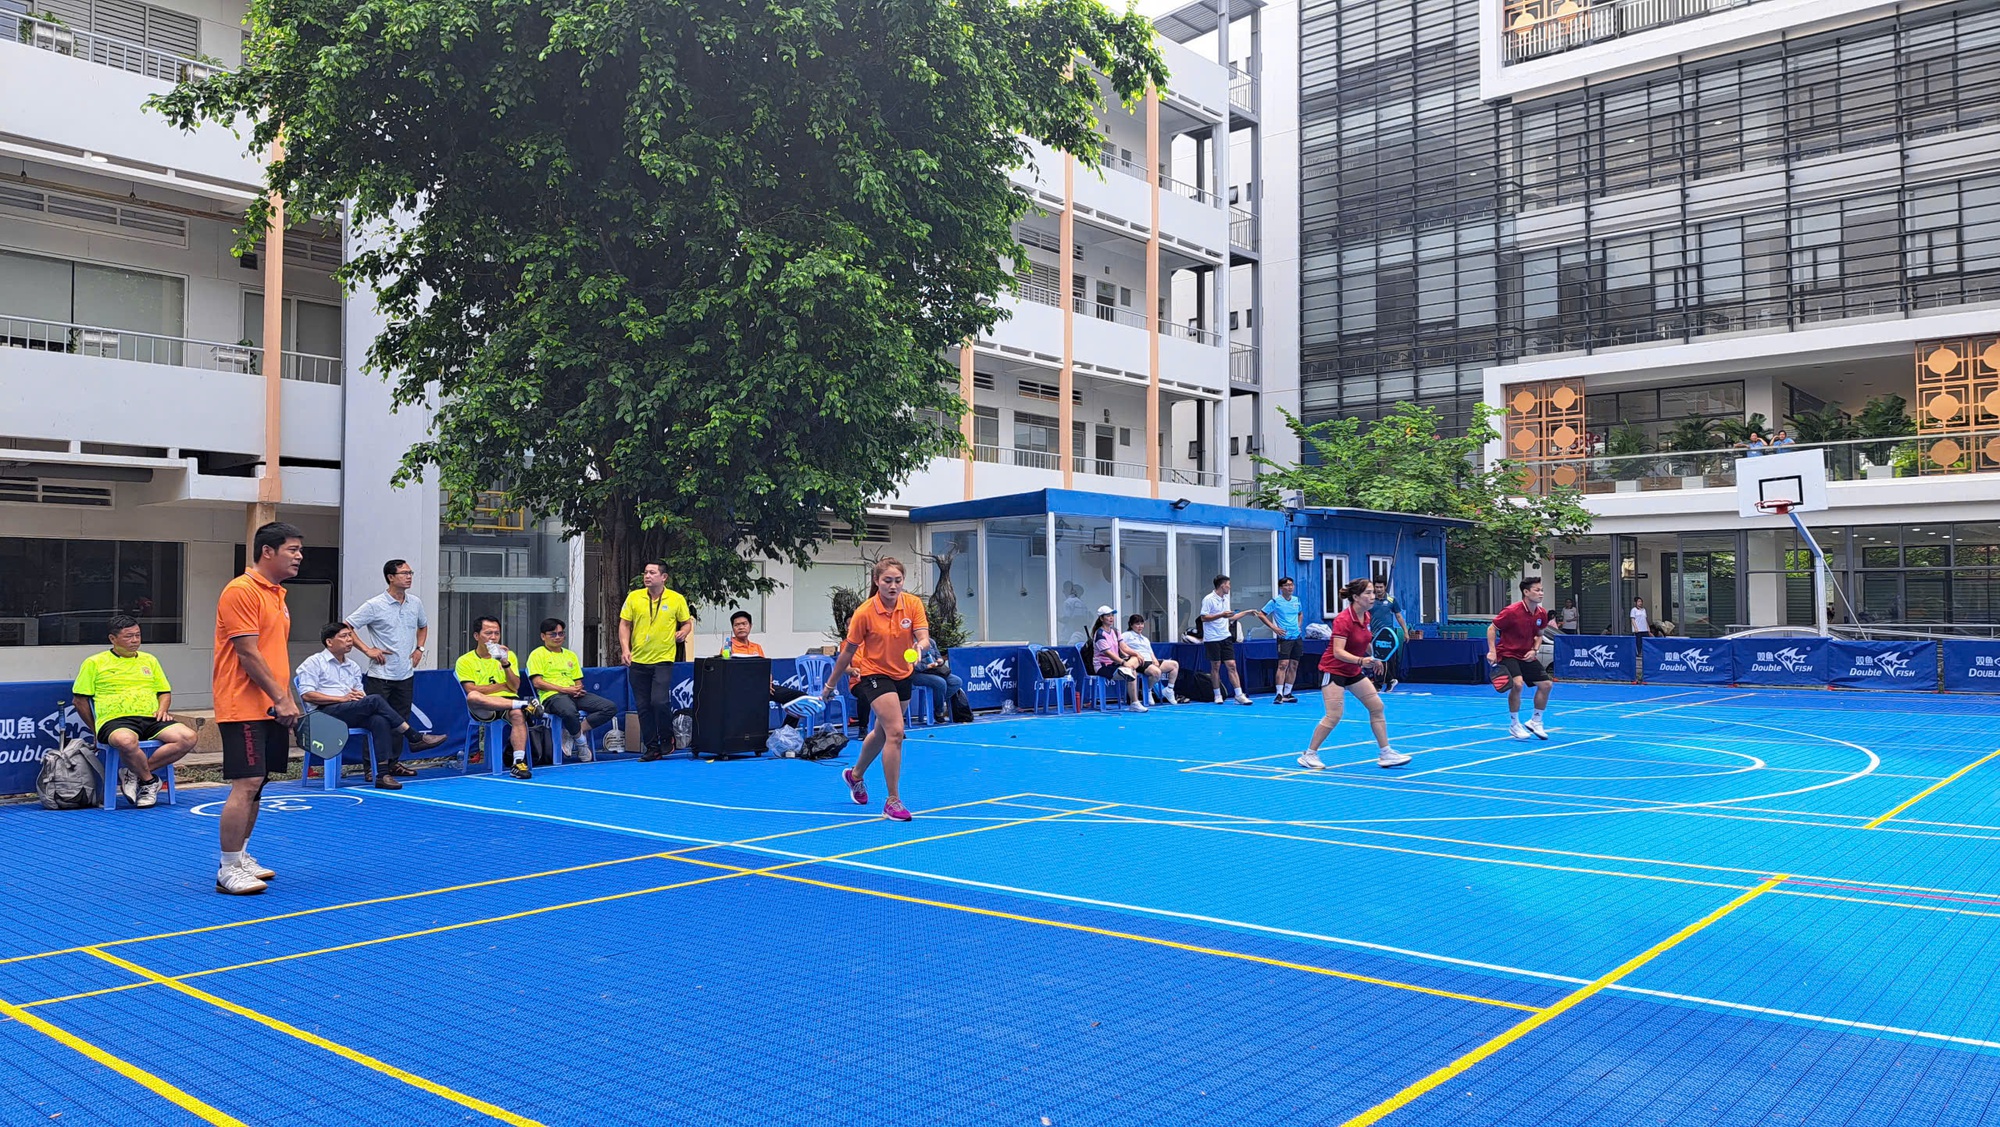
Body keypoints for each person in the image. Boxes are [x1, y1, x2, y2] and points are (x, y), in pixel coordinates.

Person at [212, 521, 305, 895]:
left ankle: (243, 855)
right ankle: (227, 867)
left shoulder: (278, 596)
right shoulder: (241, 591)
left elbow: (272, 654)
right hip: (242, 705)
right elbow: (247, 653)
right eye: (293, 549)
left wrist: (286, 696)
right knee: (246, 782)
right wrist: (280, 697)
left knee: (259, 784)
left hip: (271, 705)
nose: (299, 556)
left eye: (299, 550)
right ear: (268, 551)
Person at [821, 557, 928, 822]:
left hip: (903, 672)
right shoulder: (865, 612)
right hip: (873, 674)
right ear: (877, 582)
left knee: (881, 733)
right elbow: (848, 652)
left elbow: (923, 637)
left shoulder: (912, 604)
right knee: (896, 732)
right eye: (887, 581)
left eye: (898, 581)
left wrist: (919, 647)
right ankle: (892, 801)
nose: (893, 586)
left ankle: (854, 775)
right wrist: (830, 684)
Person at [296, 622, 448, 790]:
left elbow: (360, 694)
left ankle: (382, 774)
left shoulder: (352, 666)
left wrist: (357, 698)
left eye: (349, 636)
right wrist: (341, 699)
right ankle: (414, 737)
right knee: (375, 700)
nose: (349, 640)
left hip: (348, 709)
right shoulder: (314, 662)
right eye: (344, 636)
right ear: (329, 642)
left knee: (378, 720)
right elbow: (307, 694)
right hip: (323, 713)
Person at [72, 614, 196, 809]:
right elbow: (79, 701)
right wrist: (95, 729)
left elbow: (164, 692)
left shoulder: (150, 660)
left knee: (188, 737)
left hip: (150, 717)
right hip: (115, 720)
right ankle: (148, 781)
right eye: (129, 636)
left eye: (138, 635)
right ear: (113, 639)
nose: (135, 640)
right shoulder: (94, 663)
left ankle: (134, 773)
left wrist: (163, 709)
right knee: (126, 742)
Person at [1297, 579, 1408, 770]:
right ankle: (1309, 754)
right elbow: (1338, 652)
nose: (1373, 596)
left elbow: (1364, 642)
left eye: (1373, 592)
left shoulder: (1365, 617)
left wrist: (1375, 656)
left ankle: (1386, 753)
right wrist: (1361, 661)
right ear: (1356, 597)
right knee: (1334, 715)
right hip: (1333, 670)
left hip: (1352, 670)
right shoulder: (1343, 619)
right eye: (1368, 593)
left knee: (1376, 706)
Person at [344, 558, 434, 750]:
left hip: (405, 673)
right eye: (404, 574)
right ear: (391, 577)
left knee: (401, 719)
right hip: (381, 674)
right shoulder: (374, 605)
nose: (409, 577)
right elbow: (347, 626)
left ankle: (393, 764)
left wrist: (420, 649)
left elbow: (423, 626)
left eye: (411, 573)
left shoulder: (415, 602)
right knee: (378, 721)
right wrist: (367, 649)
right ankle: (373, 767)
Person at [619, 561, 693, 761]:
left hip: (663, 659)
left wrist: (683, 632)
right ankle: (652, 747)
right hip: (638, 660)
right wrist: (626, 649)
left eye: (652, 572)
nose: (647, 576)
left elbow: (687, 622)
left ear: (664, 577)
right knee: (643, 706)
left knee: (659, 701)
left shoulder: (676, 599)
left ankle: (667, 738)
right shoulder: (634, 597)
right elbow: (625, 624)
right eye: (645, 573)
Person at [456, 616, 538, 780]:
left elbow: (514, 686)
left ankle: (518, 762)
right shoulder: (465, 661)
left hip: (508, 703)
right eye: (488, 633)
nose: (493, 637)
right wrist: (500, 686)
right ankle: (523, 704)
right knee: (473, 696)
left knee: (517, 714)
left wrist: (505, 663)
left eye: (496, 633)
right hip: (484, 707)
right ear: (476, 636)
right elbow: (471, 690)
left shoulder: (509, 655)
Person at [528, 617, 618, 760]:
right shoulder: (537, 654)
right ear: (543, 636)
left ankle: (573, 732)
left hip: (573, 694)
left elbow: (578, 680)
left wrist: (577, 688)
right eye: (553, 634)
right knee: (569, 711)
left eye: (561, 633)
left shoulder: (570, 655)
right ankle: (582, 744)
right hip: (552, 697)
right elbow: (538, 683)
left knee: (609, 707)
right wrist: (565, 690)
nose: (557, 637)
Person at [1488, 576, 1559, 741]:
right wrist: (1492, 651)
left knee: (1546, 685)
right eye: (1537, 590)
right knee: (1518, 684)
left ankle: (1536, 721)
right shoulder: (1511, 611)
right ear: (1526, 592)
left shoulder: (1541, 613)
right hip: (1507, 653)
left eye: (1541, 590)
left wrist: (1534, 650)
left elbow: (1539, 635)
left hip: (1526, 654)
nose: (1541, 593)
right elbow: (1492, 628)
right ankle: (1514, 724)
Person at [723, 610, 817, 725]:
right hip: (742, 691)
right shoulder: (728, 647)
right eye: (737, 625)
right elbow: (728, 674)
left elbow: (765, 668)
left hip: (764, 688)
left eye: (744, 624)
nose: (741, 627)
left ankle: (785, 731)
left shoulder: (757, 647)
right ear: (733, 628)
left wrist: (767, 681)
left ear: (750, 626)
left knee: (800, 698)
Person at [1198, 574, 1255, 705]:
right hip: (1212, 638)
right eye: (1228, 584)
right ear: (1222, 585)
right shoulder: (1208, 599)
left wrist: (1247, 612)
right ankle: (1217, 694)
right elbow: (1203, 618)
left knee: (1232, 665)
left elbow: (1230, 617)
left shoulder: (1226, 599)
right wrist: (1221, 615)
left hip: (1225, 636)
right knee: (1216, 666)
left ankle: (1239, 695)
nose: (1229, 587)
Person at [1087, 606, 1146, 712]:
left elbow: (1124, 647)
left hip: (1116, 665)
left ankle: (1134, 702)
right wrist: (1124, 662)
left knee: (1133, 663)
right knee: (1132, 672)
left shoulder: (1115, 631)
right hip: (1103, 667)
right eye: (1108, 616)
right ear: (1101, 618)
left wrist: (1137, 654)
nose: (1111, 618)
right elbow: (1108, 654)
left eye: (1112, 615)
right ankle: (1135, 702)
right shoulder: (1099, 634)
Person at [1258, 577, 1306, 703]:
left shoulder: (1296, 600)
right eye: (1286, 585)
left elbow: (1300, 613)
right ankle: (1279, 694)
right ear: (1281, 588)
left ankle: (1287, 693)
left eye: (1291, 585)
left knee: (1294, 665)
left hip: (1296, 636)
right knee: (1283, 664)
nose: (1290, 587)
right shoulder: (1275, 601)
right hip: (1284, 637)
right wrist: (1274, 628)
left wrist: (1299, 625)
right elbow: (1261, 614)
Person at [1118, 615, 1179, 705]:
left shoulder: (1145, 638)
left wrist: (1154, 660)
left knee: (1174, 665)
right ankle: (1147, 690)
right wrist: (1127, 656)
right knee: (1157, 672)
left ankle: (1169, 690)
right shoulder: (1126, 635)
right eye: (1137, 624)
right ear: (1131, 625)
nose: (1140, 626)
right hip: (1139, 661)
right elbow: (1120, 646)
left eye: (1142, 623)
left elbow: (1150, 652)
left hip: (1149, 660)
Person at [1369, 578, 1413, 693]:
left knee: (1389, 660)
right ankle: (1381, 683)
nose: (1379, 589)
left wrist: (1405, 631)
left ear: (1385, 587)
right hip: (1374, 634)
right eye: (1377, 587)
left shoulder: (1391, 600)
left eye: (1381, 587)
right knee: (1377, 660)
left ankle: (1388, 682)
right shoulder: (1370, 600)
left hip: (1388, 635)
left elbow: (1399, 616)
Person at [909, 638, 965, 724]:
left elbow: (938, 656)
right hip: (916, 674)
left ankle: (936, 704)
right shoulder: (909, 643)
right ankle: (939, 712)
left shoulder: (931, 642)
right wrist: (926, 666)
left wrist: (940, 661)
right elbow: (911, 664)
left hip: (934, 670)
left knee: (956, 681)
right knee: (940, 682)